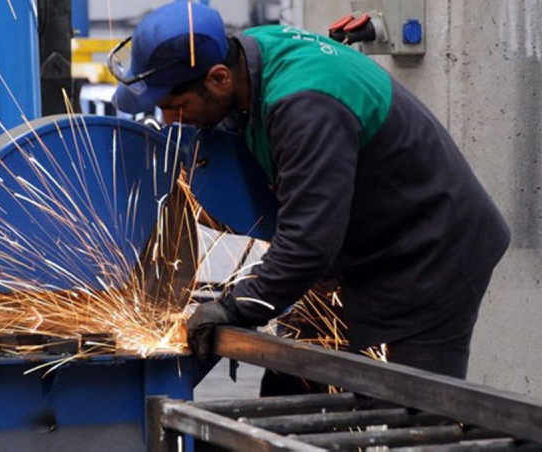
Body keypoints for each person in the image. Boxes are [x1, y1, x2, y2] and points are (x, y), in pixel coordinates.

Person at [108, 2, 510, 380]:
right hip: (367, 248)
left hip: (433, 255)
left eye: (177, 106)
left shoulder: (304, 107)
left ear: (219, 78)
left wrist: (235, 308)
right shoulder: (251, 55)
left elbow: (309, 244)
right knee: (294, 380)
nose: (169, 119)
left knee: (416, 408)